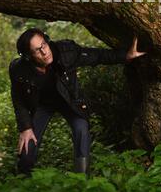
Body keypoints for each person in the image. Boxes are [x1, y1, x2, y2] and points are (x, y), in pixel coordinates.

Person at [9, 28, 146, 176]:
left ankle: (81, 180)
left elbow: (97, 56)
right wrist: (25, 127)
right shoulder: (19, 69)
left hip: (69, 101)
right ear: (29, 56)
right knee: (28, 145)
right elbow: (18, 99)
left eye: (44, 44)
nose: (44, 52)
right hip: (41, 105)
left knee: (81, 129)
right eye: (37, 50)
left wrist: (126, 55)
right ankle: (23, 181)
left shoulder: (66, 52)